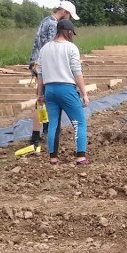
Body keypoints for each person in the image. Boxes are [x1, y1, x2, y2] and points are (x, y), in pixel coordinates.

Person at [36, 19, 91, 166]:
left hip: (50, 90)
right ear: (68, 32)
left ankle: (53, 159)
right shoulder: (71, 48)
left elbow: (40, 73)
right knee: (79, 122)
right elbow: (76, 71)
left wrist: (40, 94)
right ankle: (80, 157)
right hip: (66, 89)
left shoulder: (44, 49)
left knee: (53, 123)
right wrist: (84, 93)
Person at [27, 0, 80, 147]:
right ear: (64, 12)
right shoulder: (53, 25)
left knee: (44, 99)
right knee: (41, 99)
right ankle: (36, 136)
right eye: (69, 16)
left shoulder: (46, 20)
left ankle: (44, 131)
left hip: (37, 62)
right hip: (41, 64)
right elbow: (51, 49)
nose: (68, 20)